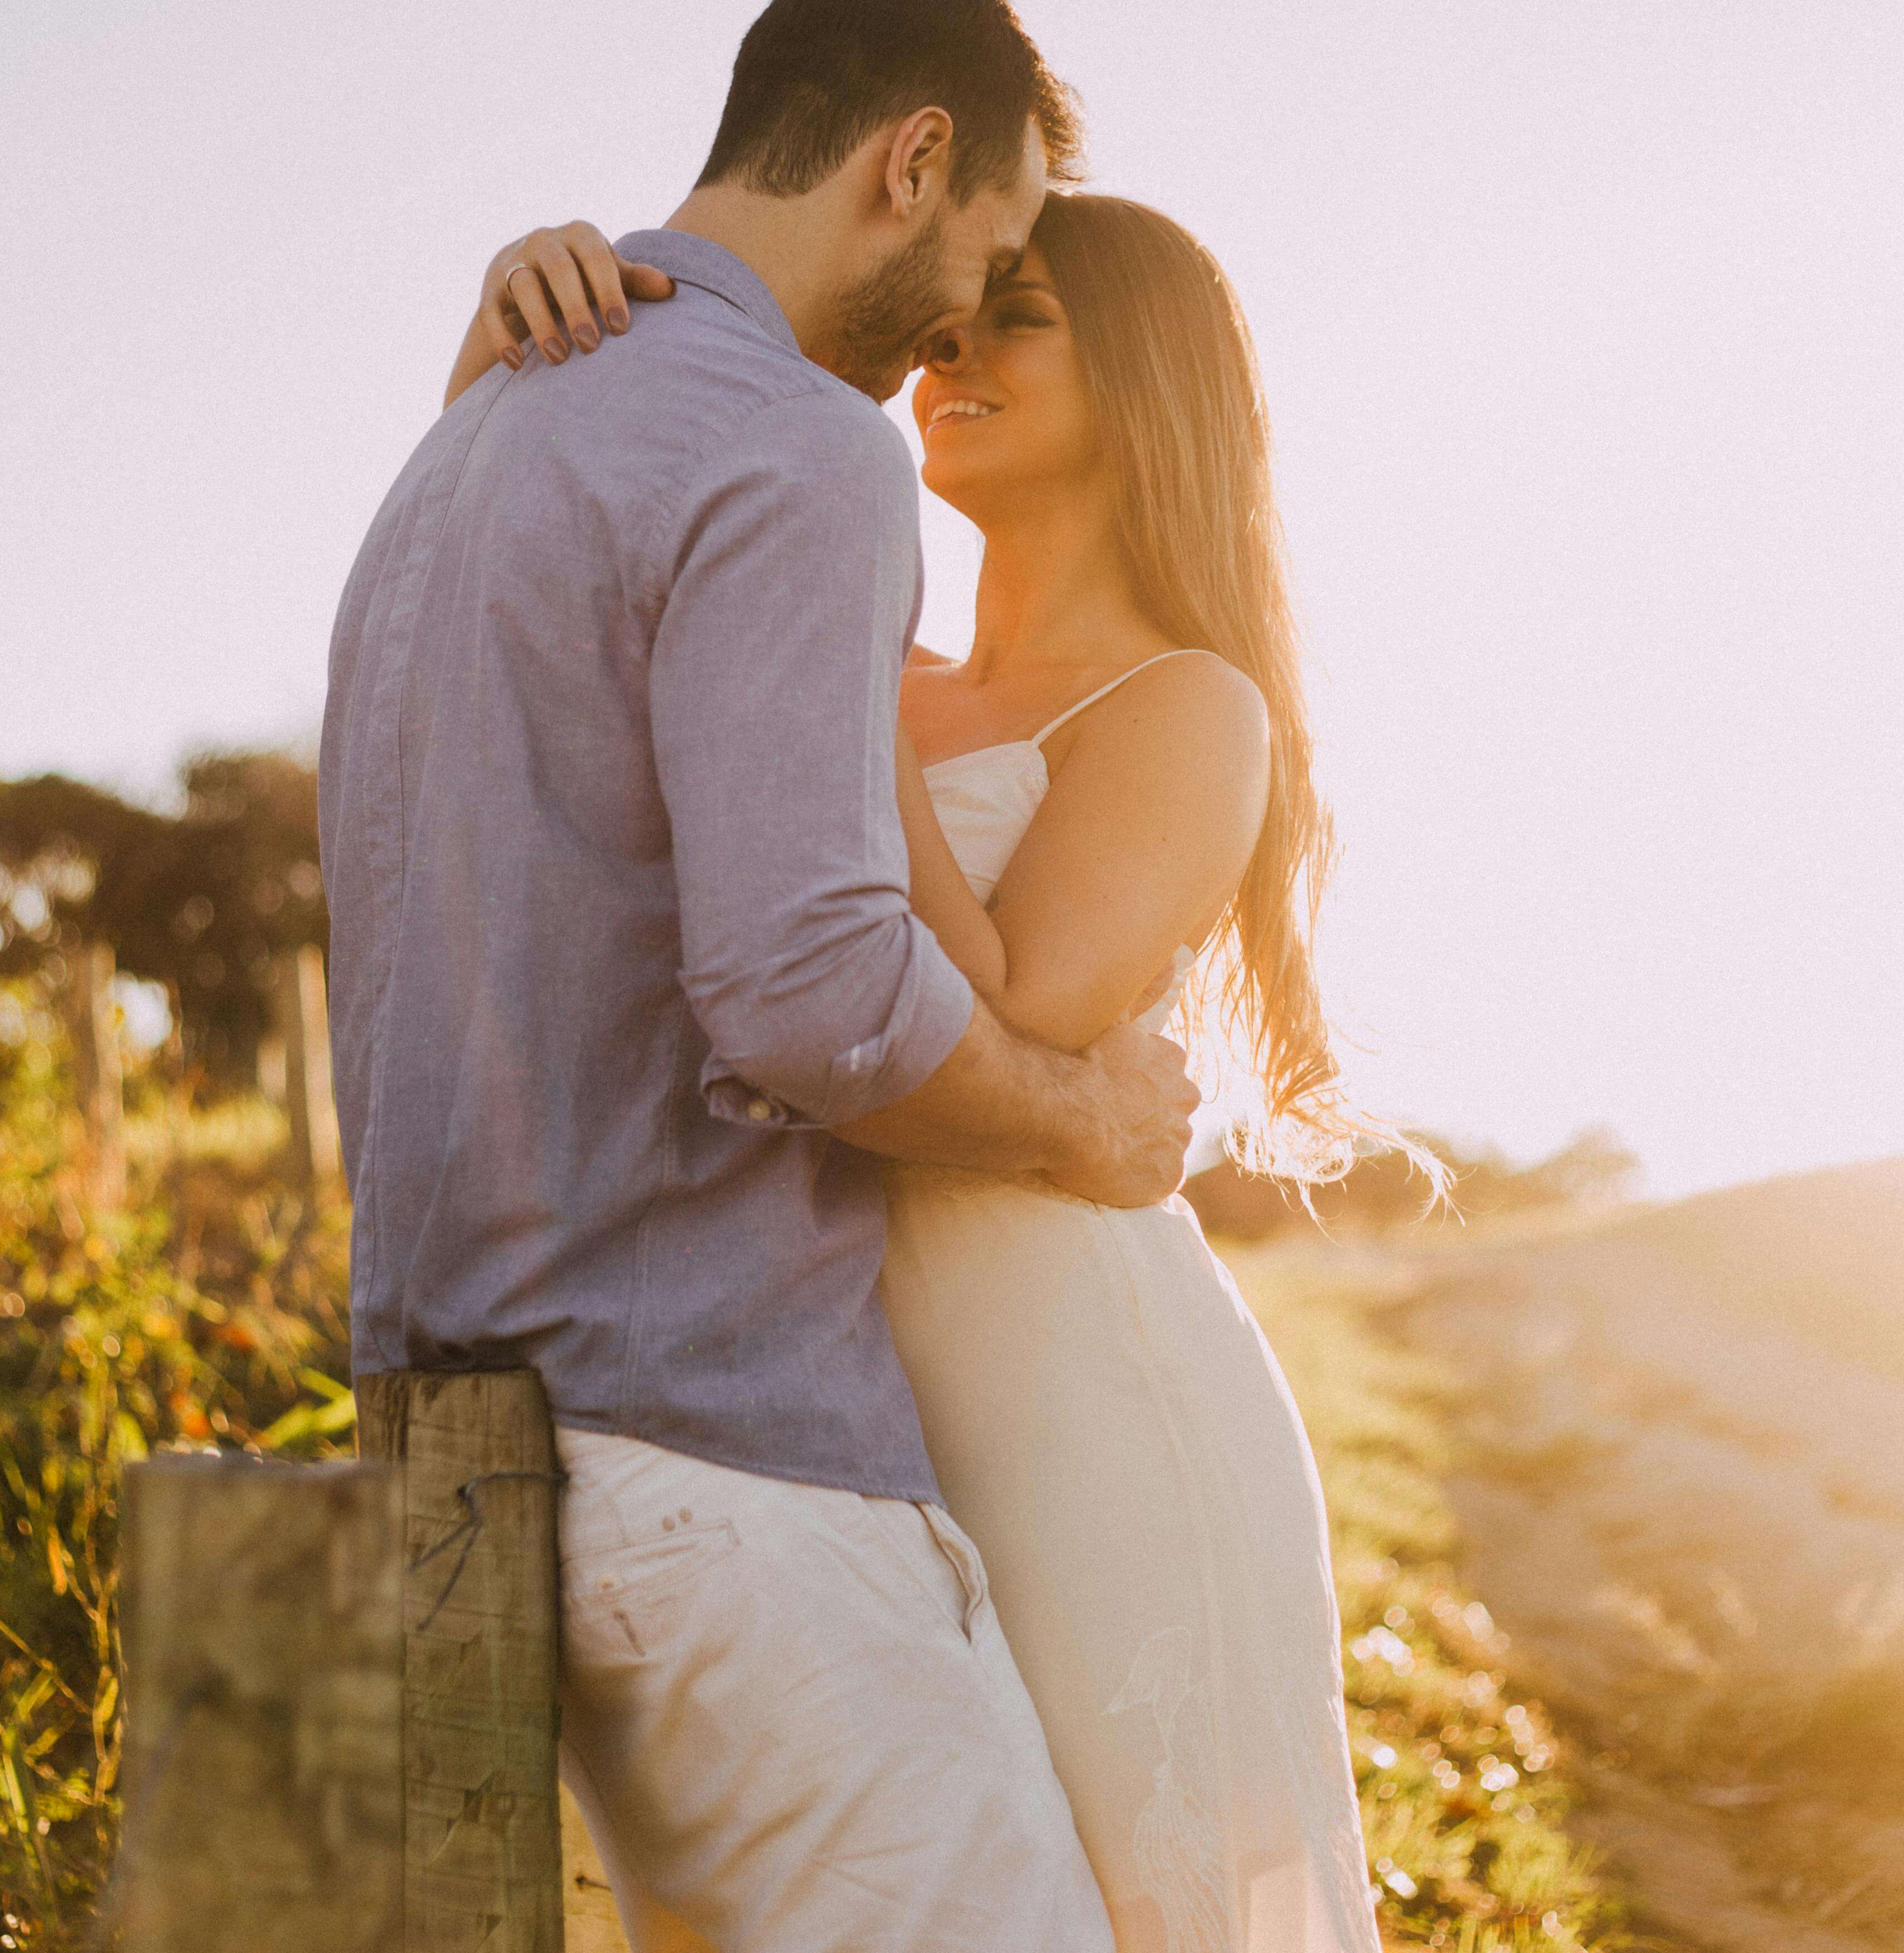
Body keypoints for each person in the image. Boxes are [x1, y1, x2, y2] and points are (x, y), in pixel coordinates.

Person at [318, 0, 1200, 1953]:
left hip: (448, 1457)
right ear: (914, 161)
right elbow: (807, 989)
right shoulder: (803, 448)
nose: (976, 309)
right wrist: (1077, 1122)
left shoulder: (457, 453)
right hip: (720, 1471)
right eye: (994, 242)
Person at [452, 169, 1418, 1953]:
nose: (953, 346)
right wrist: (509, 340)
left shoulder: (1186, 704)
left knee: (1146, 1897)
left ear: (1153, 381)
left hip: (1086, 1397)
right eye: (956, 317)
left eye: (1021, 319)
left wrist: (844, 672)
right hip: (827, 1404)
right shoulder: (844, 641)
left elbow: (1004, 1011)